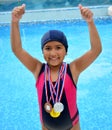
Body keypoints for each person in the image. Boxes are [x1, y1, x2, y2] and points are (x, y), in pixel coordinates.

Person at [11, 3, 102, 130]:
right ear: (42, 52)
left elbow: (96, 50)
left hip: (72, 126)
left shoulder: (73, 69)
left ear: (66, 51)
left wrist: (90, 22)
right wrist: (15, 22)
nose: (53, 53)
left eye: (58, 48)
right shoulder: (38, 69)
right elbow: (17, 50)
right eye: (48, 48)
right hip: (46, 127)